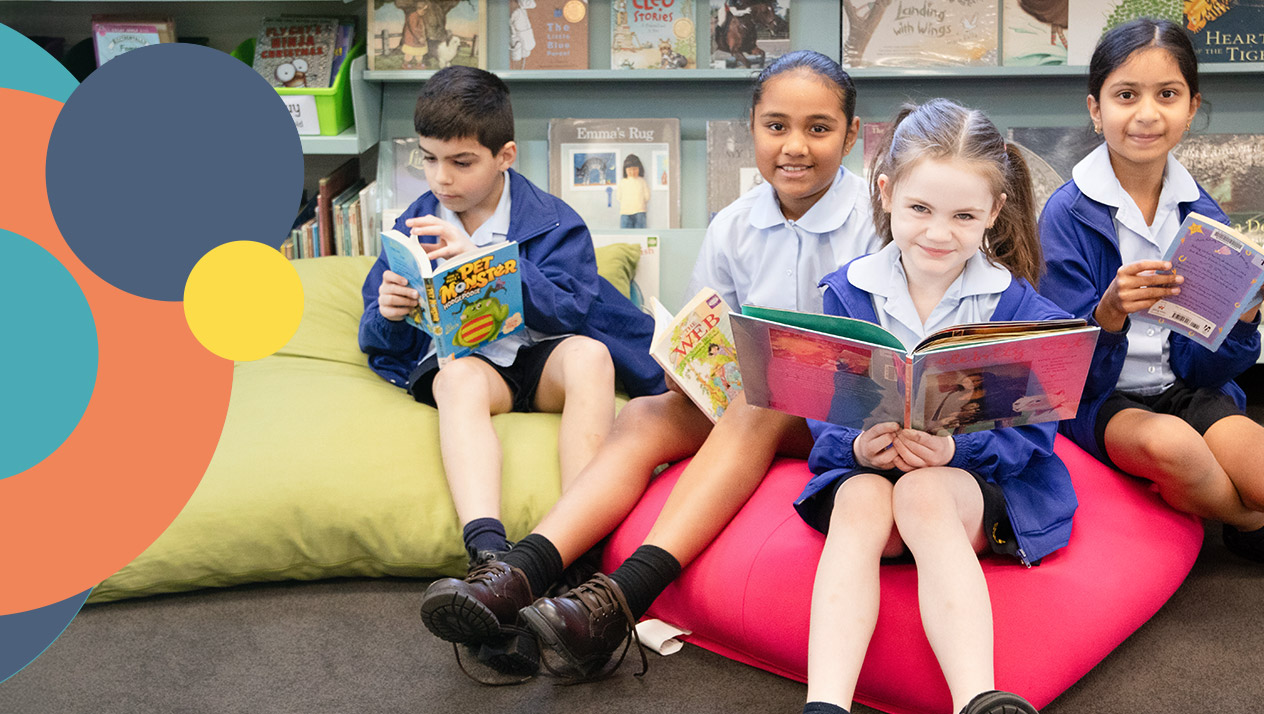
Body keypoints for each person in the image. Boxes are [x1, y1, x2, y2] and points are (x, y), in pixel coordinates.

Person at [415, 50, 883, 683]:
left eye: (818, 129)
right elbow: (712, 329)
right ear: (752, 127)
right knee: (644, 413)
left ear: (851, 138)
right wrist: (685, 369)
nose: (794, 146)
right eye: (776, 126)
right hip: (752, 402)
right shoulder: (733, 224)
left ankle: (620, 600)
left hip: (847, 417)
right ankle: (518, 575)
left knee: (760, 403)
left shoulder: (878, 222)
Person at [1034, 18, 1264, 579]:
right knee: (1177, 448)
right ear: (1095, 110)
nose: (1147, 114)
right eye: (1126, 95)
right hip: (1100, 402)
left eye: (1167, 95)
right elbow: (1064, 378)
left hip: (1182, 387)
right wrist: (1109, 313)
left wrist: (1246, 307)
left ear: (1192, 108)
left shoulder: (1203, 214)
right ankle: (1261, 528)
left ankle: (1255, 510)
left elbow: (1206, 369)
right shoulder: (1065, 216)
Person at [361, 65, 667, 676]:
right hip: (478, 367)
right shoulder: (413, 225)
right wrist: (389, 311)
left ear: (504, 156)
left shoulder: (551, 217)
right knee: (453, 377)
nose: (442, 178)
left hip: (541, 357)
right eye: (429, 160)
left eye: (461, 162)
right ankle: (489, 558)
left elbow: (575, 308)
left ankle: (578, 552)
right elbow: (380, 339)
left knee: (593, 355)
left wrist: (491, 262)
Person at [797, 98, 1089, 714]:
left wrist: (956, 449)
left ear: (994, 213)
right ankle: (826, 704)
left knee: (924, 492)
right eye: (920, 209)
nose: (937, 233)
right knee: (859, 497)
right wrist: (857, 446)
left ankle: (977, 699)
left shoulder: (1021, 311)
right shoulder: (847, 292)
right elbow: (823, 412)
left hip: (970, 490)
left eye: (963, 216)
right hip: (871, 484)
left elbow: (1031, 436)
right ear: (886, 194)